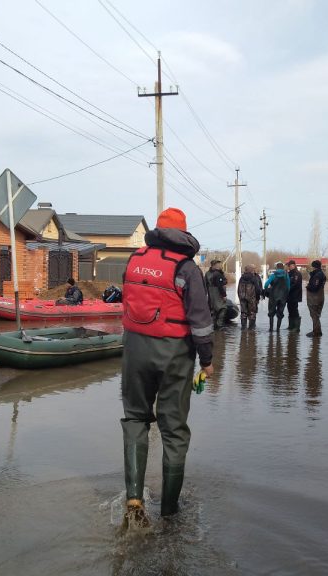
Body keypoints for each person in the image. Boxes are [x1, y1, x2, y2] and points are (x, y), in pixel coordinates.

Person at [120, 207, 215, 528]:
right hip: (174, 353)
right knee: (173, 431)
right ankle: (170, 513)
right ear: (184, 234)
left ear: (157, 231)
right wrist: (208, 361)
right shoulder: (186, 268)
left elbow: (128, 302)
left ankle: (133, 497)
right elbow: (201, 320)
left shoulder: (134, 259)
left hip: (134, 347)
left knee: (135, 417)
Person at [264, 261, 290, 331]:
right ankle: (278, 329)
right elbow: (288, 287)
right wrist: (286, 294)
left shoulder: (274, 275)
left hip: (273, 296)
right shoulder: (286, 275)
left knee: (271, 312)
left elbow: (266, 284)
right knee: (280, 313)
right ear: (282, 267)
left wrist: (266, 290)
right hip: (283, 297)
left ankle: (271, 329)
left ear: (276, 267)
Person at [237, 263, 263, 330]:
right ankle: (251, 329)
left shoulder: (241, 278)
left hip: (242, 298)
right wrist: (257, 298)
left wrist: (240, 297)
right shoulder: (254, 278)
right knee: (252, 313)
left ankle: (243, 328)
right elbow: (257, 289)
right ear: (251, 270)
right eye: (253, 269)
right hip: (251, 298)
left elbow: (238, 289)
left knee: (243, 313)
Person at [205, 259, 228, 328]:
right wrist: (224, 295)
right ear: (214, 265)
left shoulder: (207, 273)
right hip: (217, 294)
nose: (220, 265)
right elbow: (220, 286)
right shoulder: (218, 274)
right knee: (223, 308)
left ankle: (212, 327)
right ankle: (219, 325)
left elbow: (205, 284)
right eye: (218, 264)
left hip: (210, 294)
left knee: (213, 310)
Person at [306, 259, 327, 337]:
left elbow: (314, 287)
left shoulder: (317, 275)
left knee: (314, 315)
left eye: (312, 267)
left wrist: (308, 287)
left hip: (315, 298)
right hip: (321, 297)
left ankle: (316, 332)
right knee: (317, 315)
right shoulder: (322, 274)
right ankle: (317, 331)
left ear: (314, 267)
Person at [286, 260, 303, 332]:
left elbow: (295, 284)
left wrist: (287, 289)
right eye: (288, 266)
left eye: (289, 266)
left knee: (294, 310)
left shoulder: (297, 274)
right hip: (289, 295)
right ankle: (291, 326)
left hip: (295, 295)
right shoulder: (289, 273)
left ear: (293, 265)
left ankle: (296, 327)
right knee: (290, 309)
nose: (288, 267)